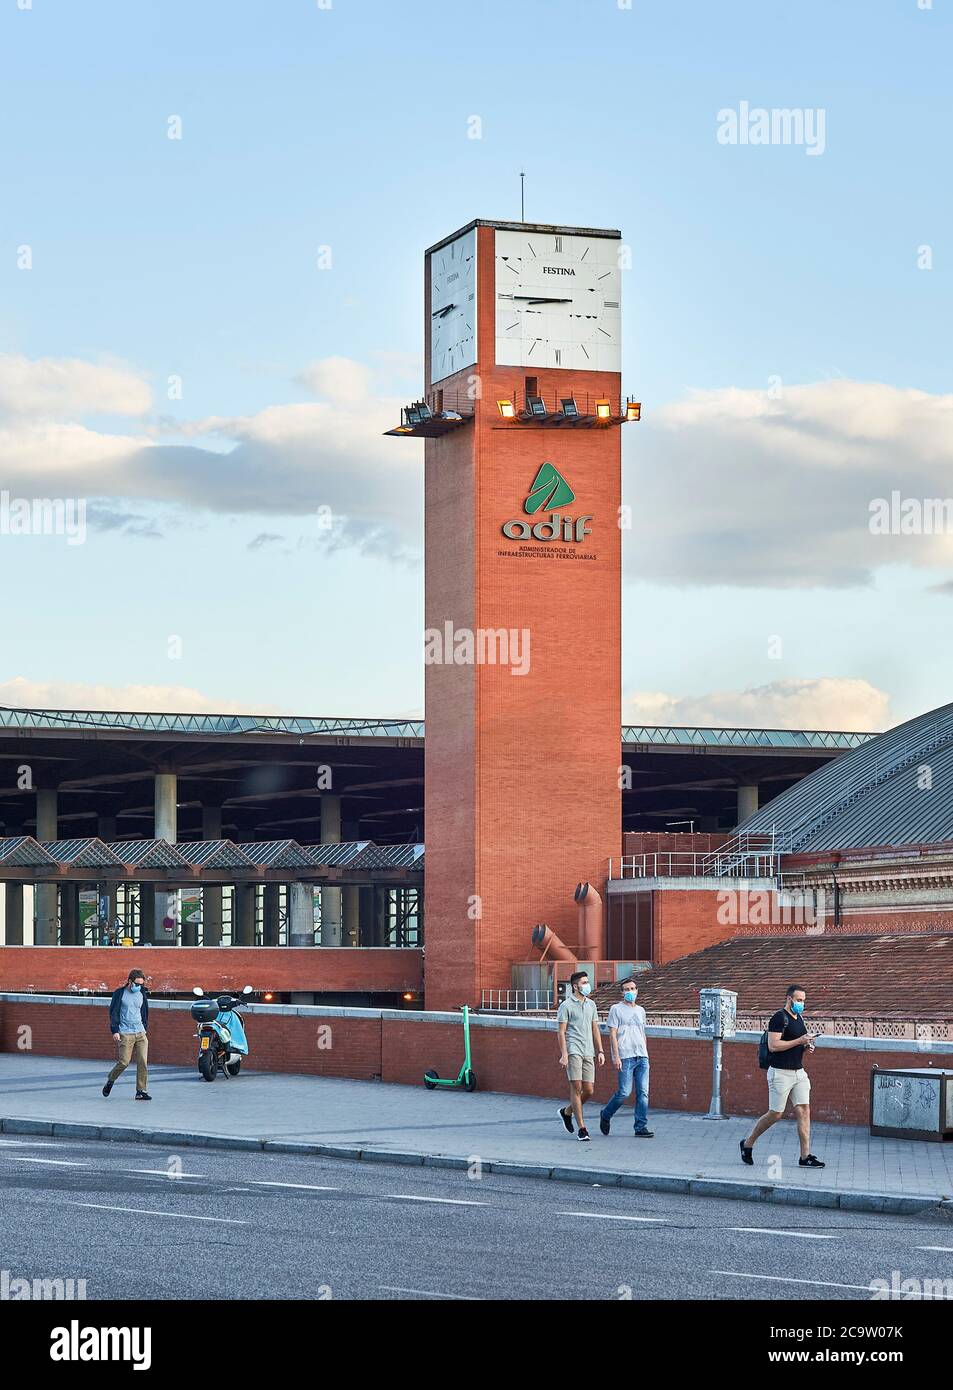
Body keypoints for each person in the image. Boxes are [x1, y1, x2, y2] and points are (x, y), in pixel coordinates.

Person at [740, 984, 824, 1168]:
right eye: (799, 1000)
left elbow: (796, 1044)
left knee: (804, 1110)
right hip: (780, 1073)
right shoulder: (779, 1018)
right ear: (789, 999)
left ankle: (805, 1156)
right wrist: (799, 1040)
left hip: (798, 1072)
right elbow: (774, 1046)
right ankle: (747, 1143)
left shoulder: (799, 1018)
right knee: (776, 1114)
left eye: (803, 1000)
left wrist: (807, 1045)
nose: (801, 1003)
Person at [599, 977, 653, 1138]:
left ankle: (640, 1126)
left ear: (637, 991)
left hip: (642, 1056)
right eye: (627, 989)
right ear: (622, 992)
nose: (630, 992)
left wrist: (646, 1052)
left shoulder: (641, 1010)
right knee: (624, 1092)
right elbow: (612, 1034)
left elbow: (643, 1032)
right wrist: (616, 1056)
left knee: (643, 1093)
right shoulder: (616, 1009)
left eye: (633, 989)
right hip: (625, 1056)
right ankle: (606, 1114)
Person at [556, 970, 605, 1141]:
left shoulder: (591, 1004)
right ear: (575, 986)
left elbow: (595, 1029)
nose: (587, 985)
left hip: (588, 1051)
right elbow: (561, 1032)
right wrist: (564, 1054)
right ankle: (582, 1129)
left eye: (587, 982)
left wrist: (600, 1050)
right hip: (573, 1049)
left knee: (589, 1090)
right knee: (576, 1088)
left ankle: (567, 1112)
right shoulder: (566, 1006)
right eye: (584, 983)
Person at [103, 969, 152, 1100]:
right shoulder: (119, 993)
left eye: (142, 984)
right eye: (137, 984)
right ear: (130, 981)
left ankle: (141, 1091)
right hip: (125, 1033)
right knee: (124, 1062)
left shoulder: (142, 992)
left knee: (143, 1062)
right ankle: (111, 1080)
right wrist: (115, 1031)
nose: (139, 987)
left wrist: (144, 1027)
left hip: (140, 1032)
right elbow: (113, 1012)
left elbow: (144, 1011)